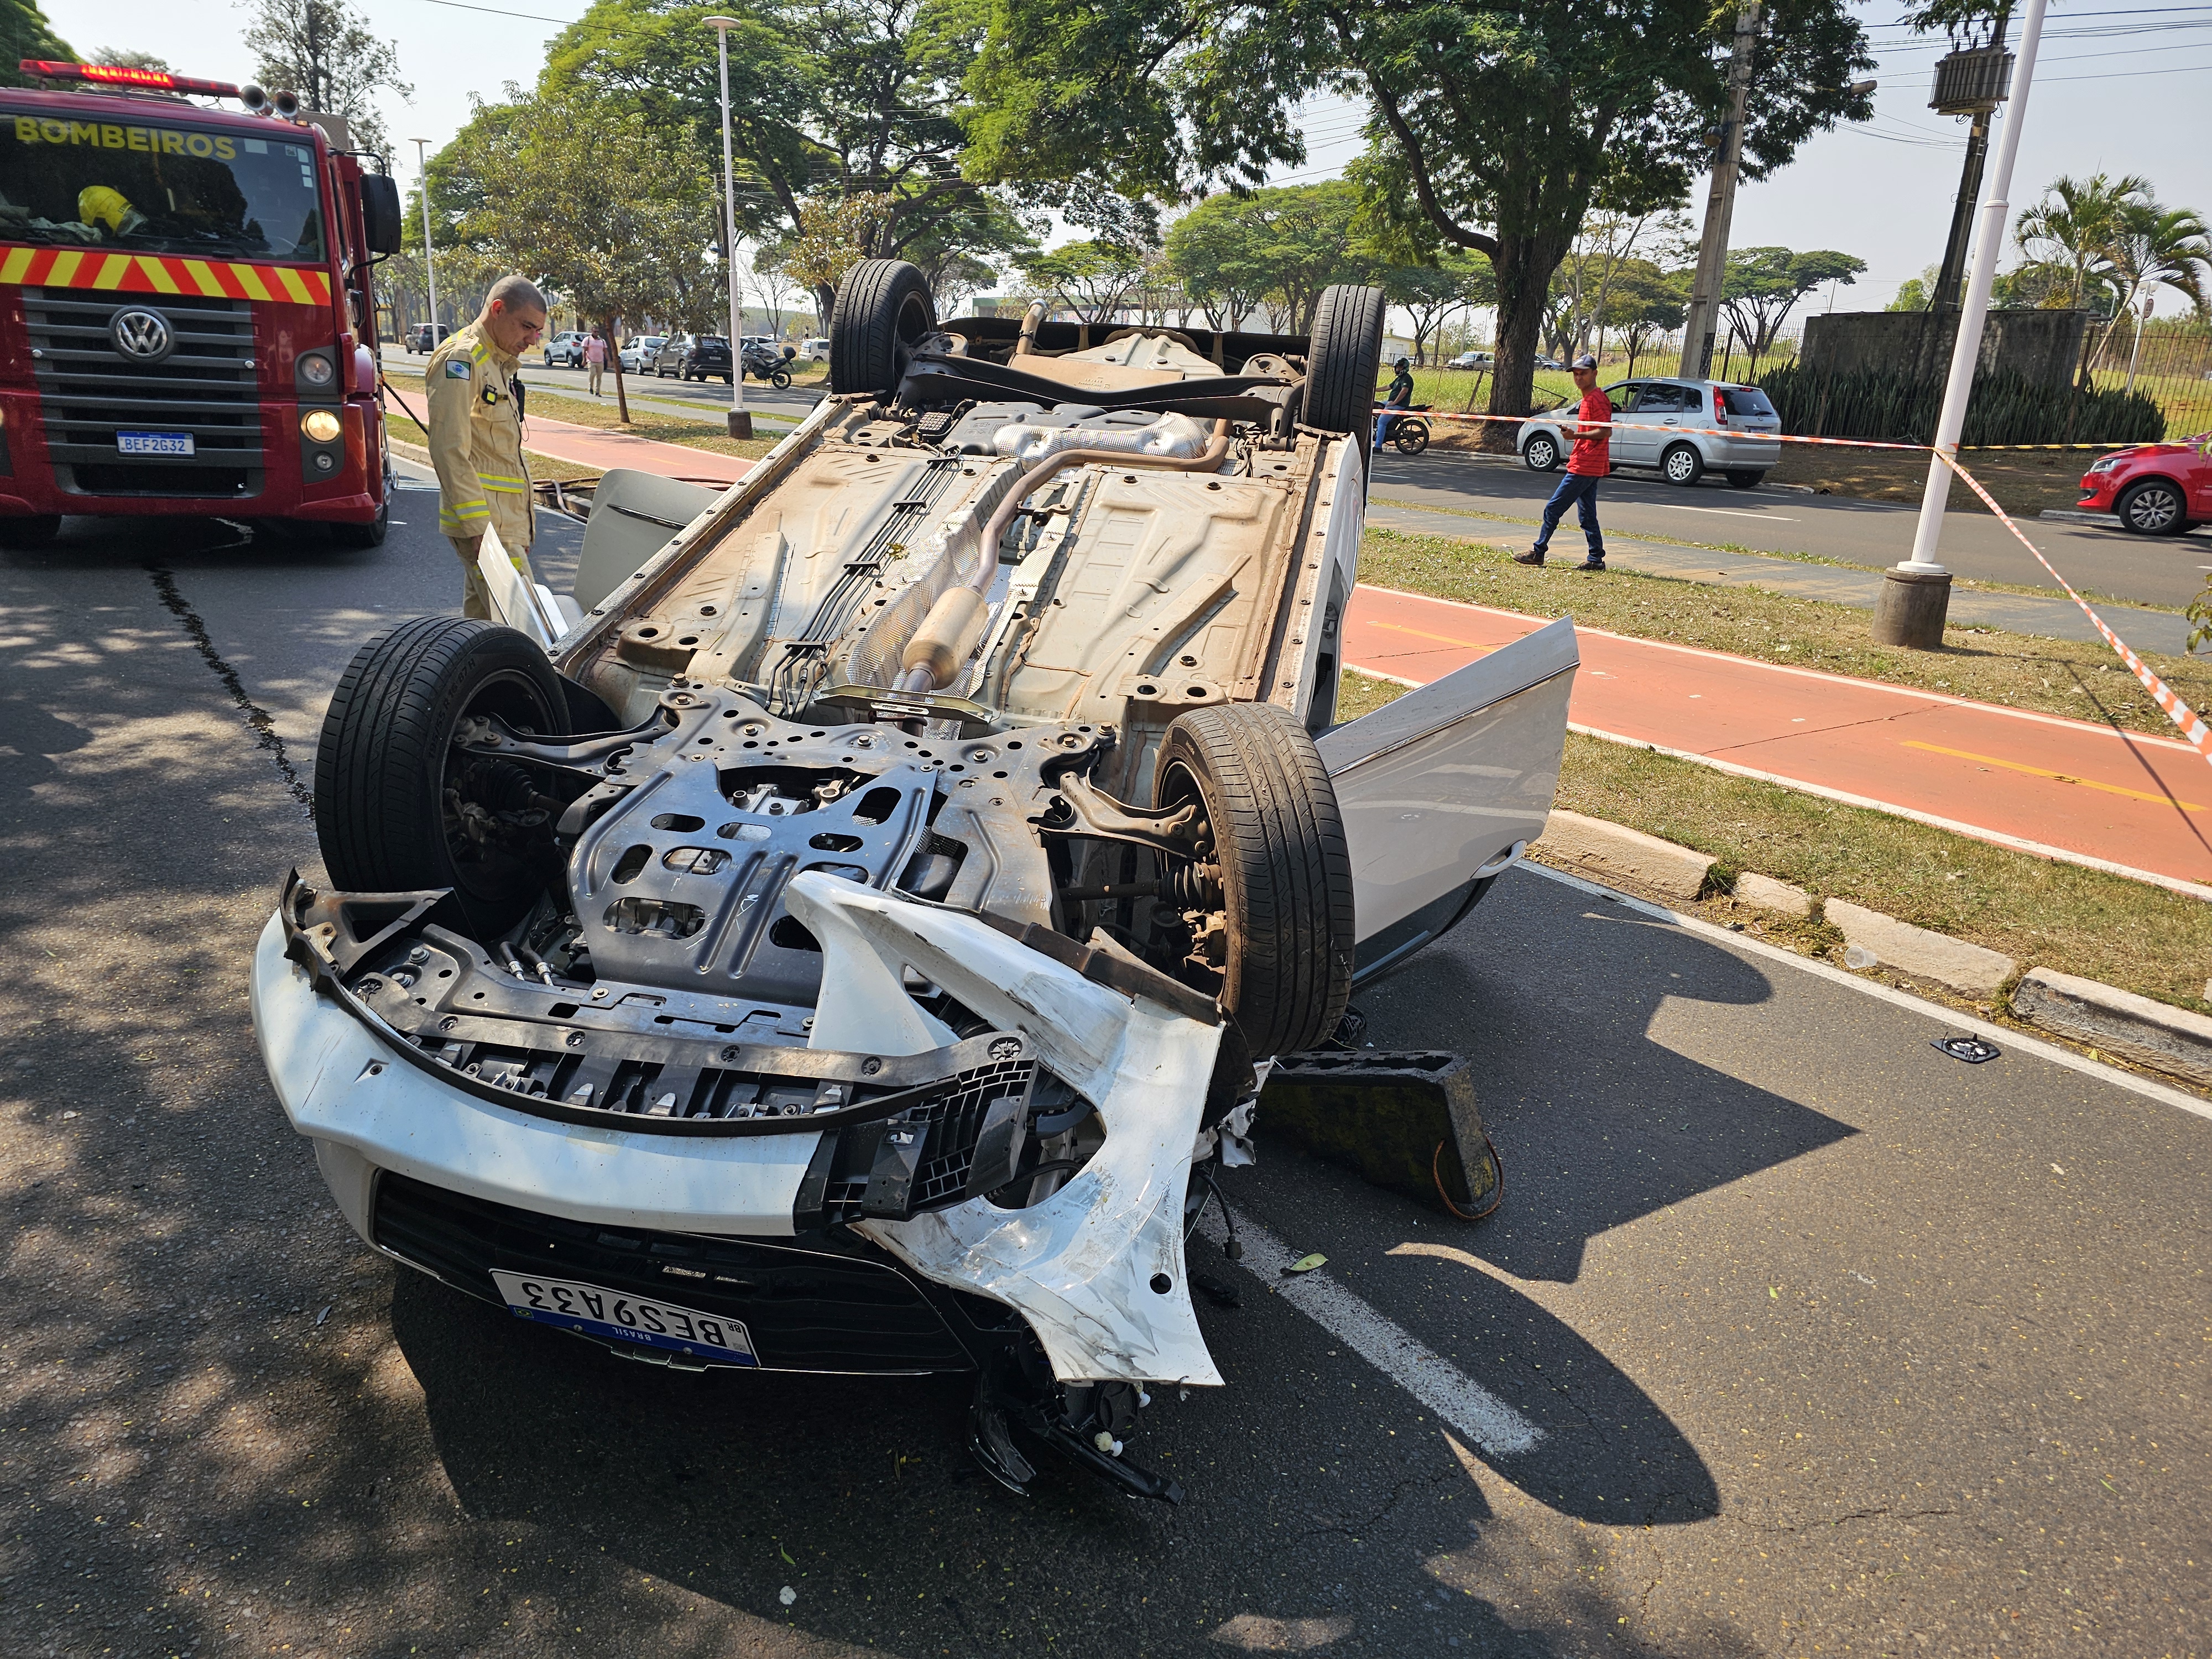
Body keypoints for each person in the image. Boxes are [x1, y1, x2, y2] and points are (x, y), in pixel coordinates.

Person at [426, 274, 548, 619]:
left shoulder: (493, 363)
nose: (533, 339)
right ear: (497, 310)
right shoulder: (462, 360)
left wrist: (521, 528)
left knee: (485, 630)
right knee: (525, 630)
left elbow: (499, 456)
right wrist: (480, 529)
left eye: (537, 331)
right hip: (487, 527)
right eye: (527, 327)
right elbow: (449, 449)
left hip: (503, 527)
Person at [1514, 352, 1611, 571]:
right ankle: (1596, 559)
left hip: (1586, 464)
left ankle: (1538, 552)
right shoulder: (1588, 399)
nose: (1579, 378)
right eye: (1576, 374)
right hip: (1587, 463)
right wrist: (1576, 434)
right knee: (1587, 514)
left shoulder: (1597, 399)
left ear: (1594, 374)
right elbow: (1595, 430)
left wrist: (1575, 436)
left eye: (1583, 374)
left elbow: (1606, 432)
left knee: (1553, 509)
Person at [1375, 356, 1415, 449]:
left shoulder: (1406, 378)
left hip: (1399, 405)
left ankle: (1378, 446)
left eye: (1400, 367)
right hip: (1392, 403)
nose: (1398, 369)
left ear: (1405, 368)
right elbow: (1388, 387)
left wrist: (1394, 403)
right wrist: (1374, 390)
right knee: (1377, 405)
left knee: (1382, 422)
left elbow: (1404, 391)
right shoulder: (1399, 379)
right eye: (1397, 367)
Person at [583, 327, 607, 397]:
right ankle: (591, 387)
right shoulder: (588, 340)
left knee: (599, 377)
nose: (596, 333)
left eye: (598, 332)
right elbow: (584, 350)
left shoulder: (602, 341)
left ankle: (598, 392)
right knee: (593, 373)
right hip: (591, 360)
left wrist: (609, 361)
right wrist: (584, 359)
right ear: (592, 332)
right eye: (595, 331)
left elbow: (605, 351)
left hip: (600, 361)